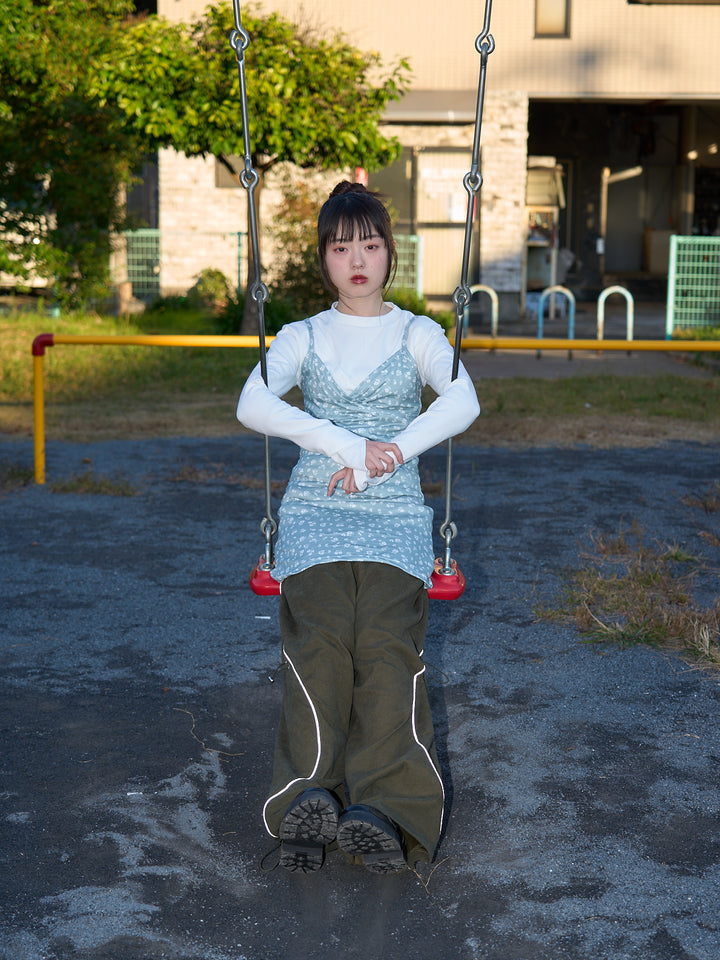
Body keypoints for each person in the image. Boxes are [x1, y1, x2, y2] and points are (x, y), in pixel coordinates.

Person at [236, 180, 480, 875]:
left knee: (384, 648)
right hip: (315, 514)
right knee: (319, 646)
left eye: (369, 245)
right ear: (324, 259)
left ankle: (388, 811)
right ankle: (307, 798)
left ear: (389, 252)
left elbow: (462, 401)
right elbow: (253, 403)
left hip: (394, 514)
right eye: (341, 248)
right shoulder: (302, 335)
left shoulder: (415, 332)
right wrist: (346, 446)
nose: (357, 260)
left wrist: (390, 452)